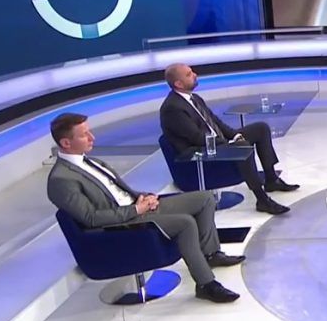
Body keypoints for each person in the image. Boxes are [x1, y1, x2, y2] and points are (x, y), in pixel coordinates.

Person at [46, 113, 242, 304]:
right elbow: (91, 218)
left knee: (205, 198)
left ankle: (210, 254)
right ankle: (206, 284)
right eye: (84, 135)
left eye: (90, 131)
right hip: (123, 222)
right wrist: (137, 210)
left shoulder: (91, 161)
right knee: (185, 223)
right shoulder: (61, 179)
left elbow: (117, 191)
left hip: (136, 207)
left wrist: (143, 197)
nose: (92, 138)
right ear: (66, 143)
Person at [159, 63, 297, 215]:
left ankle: (271, 180)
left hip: (215, 142)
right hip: (199, 153)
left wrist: (234, 135)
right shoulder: (173, 108)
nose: (195, 75)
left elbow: (215, 122)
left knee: (261, 129)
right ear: (178, 84)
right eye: (189, 74)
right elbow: (197, 138)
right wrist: (230, 143)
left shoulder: (194, 98)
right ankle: (262, 200)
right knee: (241, 146)